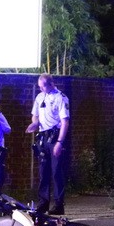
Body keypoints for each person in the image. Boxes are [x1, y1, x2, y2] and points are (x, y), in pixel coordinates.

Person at [25, 75, 70, 214]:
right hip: (43, 137)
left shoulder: (61, 98)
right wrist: (35, 123)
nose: (41, 88)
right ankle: (43, 203)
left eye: (43, 85)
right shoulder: (39, 97)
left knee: (56, 172)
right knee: (43, 172)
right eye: (39, 86)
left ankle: (58, 205)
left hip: (55, 135)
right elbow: (35, 114)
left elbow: (65, 121)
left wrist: (59, 142)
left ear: (51, 83)